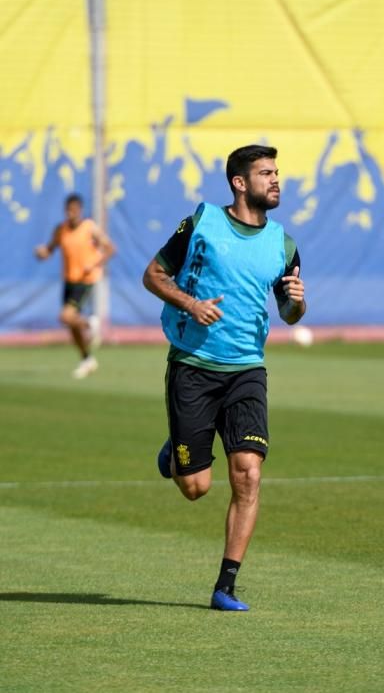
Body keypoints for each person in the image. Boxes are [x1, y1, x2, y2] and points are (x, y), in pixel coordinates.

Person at [143, 145, 306, 611]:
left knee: (248, 474)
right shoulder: (201, 224)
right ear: (239, 182)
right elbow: (153, 275)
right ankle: (175, 453)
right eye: (265, 173)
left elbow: (292, 314)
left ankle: (225, 586)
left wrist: (296, 300)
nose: (275, 180)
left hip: (247, 370)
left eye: (277, 172)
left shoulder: (284, 244)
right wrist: (190, 304)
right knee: (196, 488)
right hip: (193, 365)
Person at [35, 193, 115, 378]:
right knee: (71, 325)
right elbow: (50, 249)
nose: (71, 213)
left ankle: (91, 323)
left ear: (80, 210)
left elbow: (110, 248)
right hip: (69, 281)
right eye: (68, 210)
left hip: (86, 280)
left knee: (65, 317)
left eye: (74, 210)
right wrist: (42, 253)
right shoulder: (60, 230)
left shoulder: (89, 228)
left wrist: (94, 264)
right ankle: (87, 359)